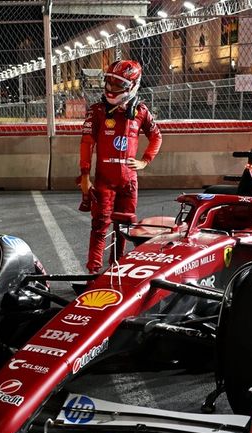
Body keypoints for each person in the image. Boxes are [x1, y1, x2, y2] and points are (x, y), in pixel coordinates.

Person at [77, 59, 162, 274]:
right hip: (104, 181)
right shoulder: (96, 111)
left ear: (133, 85)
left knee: (124, 227)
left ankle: (117, 268)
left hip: (129, 182)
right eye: (109, 82)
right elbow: (86, 143)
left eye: (118, 84)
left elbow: (156, 137)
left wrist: (145, 161)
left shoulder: (141, 111)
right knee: (99, 226)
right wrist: (85, 175)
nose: (111, 88)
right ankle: (94, 272)